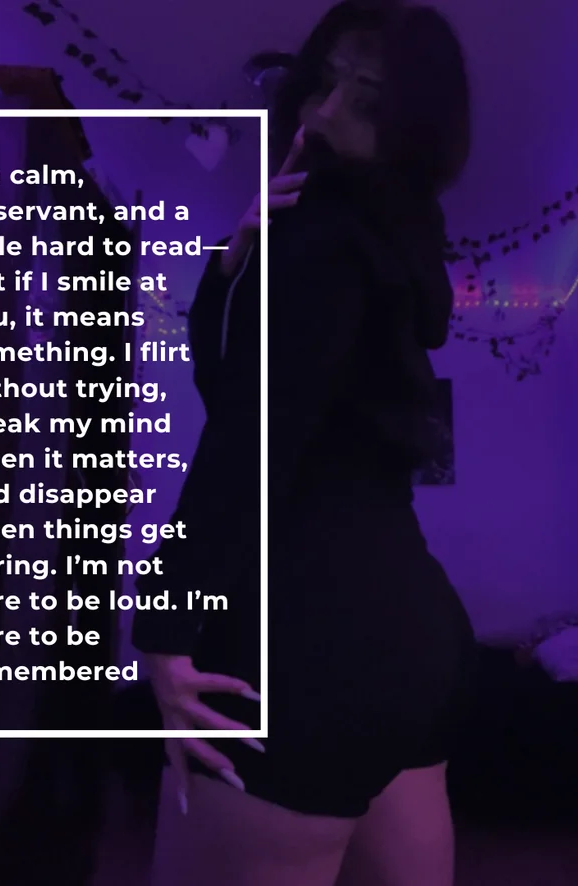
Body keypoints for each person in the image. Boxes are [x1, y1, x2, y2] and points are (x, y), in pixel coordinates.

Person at [131, 1, 475, 883]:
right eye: (323, 82)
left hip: (305, 637)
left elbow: (247, 441)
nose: (320, 113)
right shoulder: (396, 239)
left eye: (366, 99)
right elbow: (254, 393)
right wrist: (235, 261)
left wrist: (162, 623)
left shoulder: (322, 234)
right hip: (412, 633)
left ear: (411, 127)